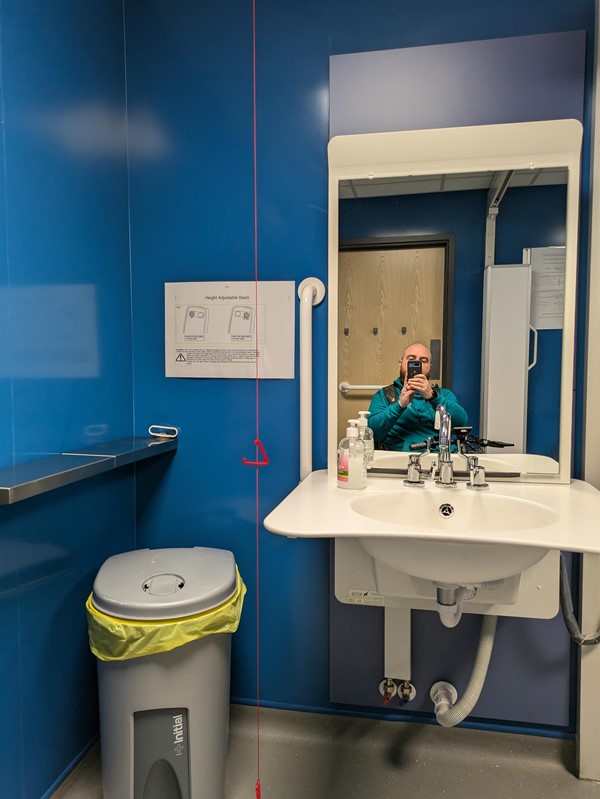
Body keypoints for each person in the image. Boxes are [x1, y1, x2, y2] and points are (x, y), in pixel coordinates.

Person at [368, 342, 468, 451]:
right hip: (402, 458)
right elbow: (373, 432)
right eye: (411, 359)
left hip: (441, 457)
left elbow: (461, 421)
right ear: (401, 364)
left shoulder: (443, 394)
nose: (417, 363)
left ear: (430, 367)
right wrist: (400, 405)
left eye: (423, 361)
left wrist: (433, 397)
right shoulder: (385, 395)